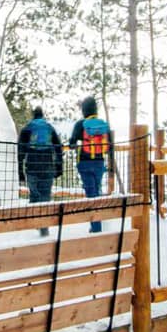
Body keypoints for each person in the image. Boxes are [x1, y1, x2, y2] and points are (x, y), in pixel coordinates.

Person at [68, 96, 114, 231]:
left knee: (90, 194)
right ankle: (98, 218)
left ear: (84, 110)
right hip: (99, 163)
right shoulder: (103, 125)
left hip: (85, 163)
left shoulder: (80, 124)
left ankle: (96, 226)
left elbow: (71, 144)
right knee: (97, 189)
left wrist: (76, 143)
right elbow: (110, 147)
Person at [17, 106, 63, 204]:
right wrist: (59, 167)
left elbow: (20, 151)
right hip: (48, 166)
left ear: (33, 115)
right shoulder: (49, 127)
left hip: (32, 167)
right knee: (45, 199)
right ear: (42, 115)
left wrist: (20, 172)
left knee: (34, 198)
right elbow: (58, 147)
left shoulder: (28, 127)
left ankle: (34, 217)